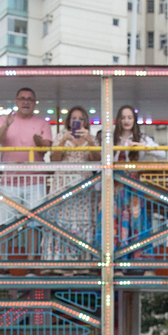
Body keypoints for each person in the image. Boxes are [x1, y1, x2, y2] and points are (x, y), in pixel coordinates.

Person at [97, 105, 161, 267]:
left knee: (136, 220)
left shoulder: (142, 138)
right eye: (123, 117)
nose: (126, 121)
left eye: (129, 117)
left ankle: (139, 259)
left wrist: (141, 147)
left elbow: (162, 153)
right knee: (115, 220)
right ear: (118, 120)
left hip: (132, 185)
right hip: (115, 185)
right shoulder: (111, 138)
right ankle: (117, 260)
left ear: (134, 120)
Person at [0, 87, 52, 226]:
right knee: (4, 226)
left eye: (29, 99)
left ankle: (33, 249)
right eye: (22, 99)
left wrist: (39, 142)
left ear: (34, 103)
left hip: (36, 181)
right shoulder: (4, 120)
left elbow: (46, 149)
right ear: (16, 101)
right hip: (9, 181)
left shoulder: (42, 122)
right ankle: (6, 249)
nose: (26, 102)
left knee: (35, 224)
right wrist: (6, 125)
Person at [48, 106, 99, 269]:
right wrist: (63, 141)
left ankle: (82, 262)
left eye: (81, 118)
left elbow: (96, 160)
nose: (77, 121)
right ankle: (58, 262)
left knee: (83, 220)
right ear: (69, 121)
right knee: (61, 220)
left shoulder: (91, 138)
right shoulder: (60, 137)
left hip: (83, 182)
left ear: (85, 122)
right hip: (63, 182)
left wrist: (90, 142)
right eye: (74, 118)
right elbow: (54, 159)